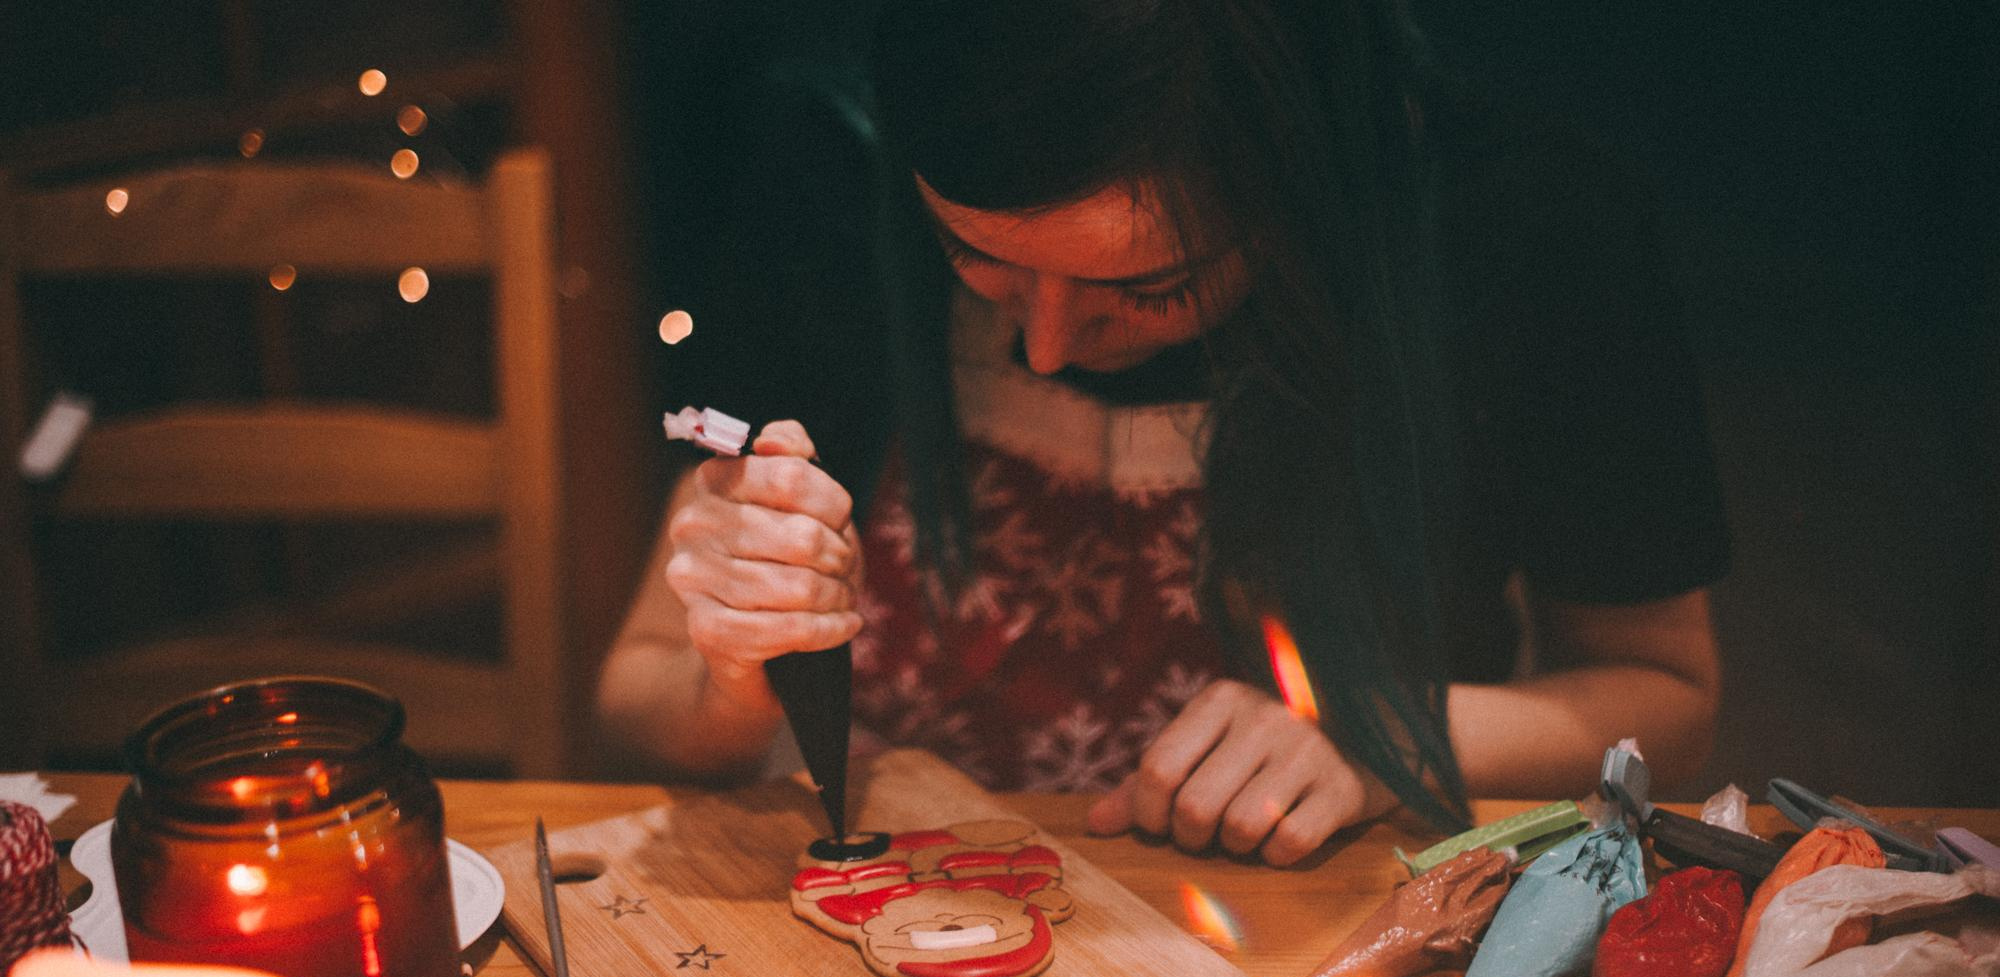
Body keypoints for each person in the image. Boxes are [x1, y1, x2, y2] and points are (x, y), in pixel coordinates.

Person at [598, 0, 1728, 866]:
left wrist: (1381, 729)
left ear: (1293, 191)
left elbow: (1664, 706)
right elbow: (634, 699)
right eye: (973, 254)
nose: (1043, 347)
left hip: (1278, 954)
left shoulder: (1524, 232)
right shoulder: (831, 181)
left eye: (1149, 289)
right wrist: (739, 674)